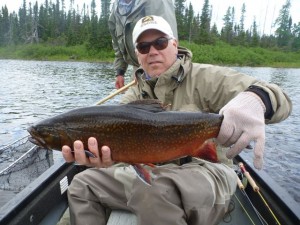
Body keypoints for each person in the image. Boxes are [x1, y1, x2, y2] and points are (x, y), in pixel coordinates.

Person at [62, 16, 292, 225]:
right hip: (153, 173)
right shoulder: (133, 97)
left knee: (154, 192)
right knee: (82, 185)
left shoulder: (207, 77)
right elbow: (126, 153)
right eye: (143, 46)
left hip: (208, 170)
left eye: (160, 42)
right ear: (137, 54)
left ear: (174, 44)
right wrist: (106, 159)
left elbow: (280, 97)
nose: (152, 51)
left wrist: (257, 99)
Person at [108, 0, 178, 89]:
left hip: (164, 69)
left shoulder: (157, 2)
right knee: (132, 101)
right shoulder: (116, 9)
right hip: (139, 70)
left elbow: (168, 41)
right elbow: (117, 44)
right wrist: (120, 72)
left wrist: (146, 71)